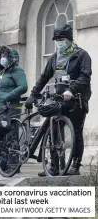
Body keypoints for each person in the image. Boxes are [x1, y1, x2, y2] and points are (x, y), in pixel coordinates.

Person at [24, 24, 92, 176]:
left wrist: (71, 89)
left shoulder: (82, 55)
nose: (58, 42)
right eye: (56, 39)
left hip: (76, 98)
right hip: (59, 98)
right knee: (54, 129)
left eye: (61, 39)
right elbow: (44, 77)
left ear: (68, 39)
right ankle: (54, 166)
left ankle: (75, 165)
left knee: (76, 131)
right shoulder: (55, 57)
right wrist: (33, 94)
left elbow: (85, 76)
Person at [0, 45, 28, 173]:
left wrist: (7, 96)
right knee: (2, 135)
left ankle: (13, 164)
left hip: (12, 107)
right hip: (0, 107)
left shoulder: (17, 71)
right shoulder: (2, 72)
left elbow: (23, 87)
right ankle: (2, 163)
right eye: (1, 56)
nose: (2, 59)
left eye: (5, 56)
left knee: (11, 135)